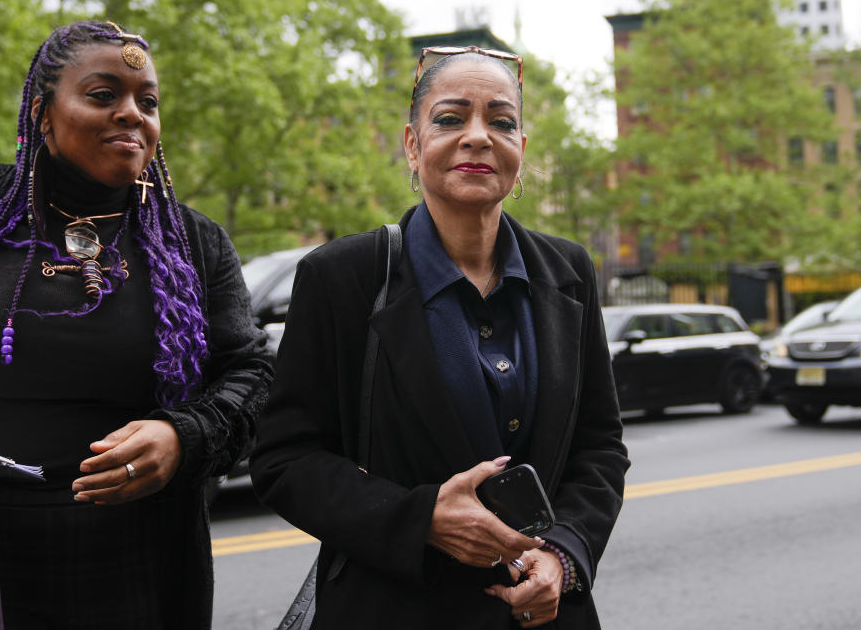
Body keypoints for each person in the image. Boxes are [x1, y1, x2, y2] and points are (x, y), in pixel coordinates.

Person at [0, 21, 272, 629]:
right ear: (44, 114)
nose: (132, 114)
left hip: (128, 561)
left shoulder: (194, 243)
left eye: (147, 102)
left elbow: (252, 374)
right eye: (104, 95)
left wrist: (185, 437)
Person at [251, 47, 629, 629]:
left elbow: (599, 446)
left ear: (521, 152)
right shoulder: (342, 276)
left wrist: (563, 555)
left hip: (543, 616)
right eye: (451, 118)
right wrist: (421, 517)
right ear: (412, 144)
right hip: (395, 609)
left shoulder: (569, 270)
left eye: (501, 121)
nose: (478, 136)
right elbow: (285, 459)